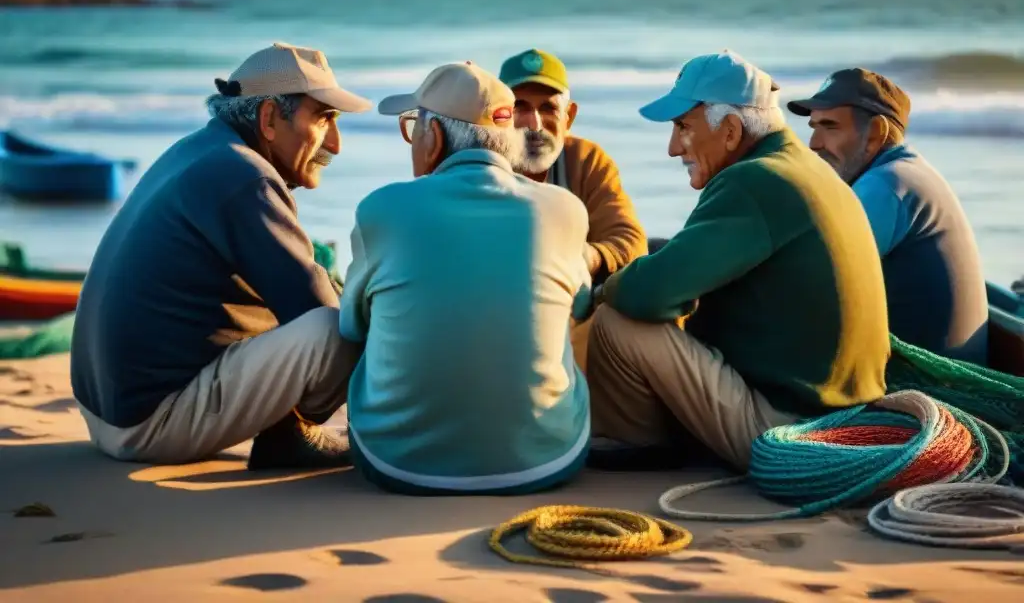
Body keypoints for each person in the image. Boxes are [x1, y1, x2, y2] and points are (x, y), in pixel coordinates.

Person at [580, 50, 891, 471]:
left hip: (790, 431)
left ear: (729, 130)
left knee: (618, 320)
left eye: (683, 127)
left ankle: (636, 444)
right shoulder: (803, 168)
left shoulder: (753, 180)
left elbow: (644, 295)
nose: (673, 148)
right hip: (842, 415)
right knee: (658, 255)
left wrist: (599, 290)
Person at [71, 42, 370, 469]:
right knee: (335, 329)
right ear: (269, 118)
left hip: (105, 410)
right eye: (323, 119)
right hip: (149, 424)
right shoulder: (245, 177)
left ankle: (290, 428)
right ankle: (292, 438)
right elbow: (322, 314)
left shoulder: (201, 151)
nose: (335, 144)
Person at [337, 61, 592, 495]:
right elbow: (582, 307)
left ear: (433, 137)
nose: (412, 138)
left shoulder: (382, 208)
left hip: (397, 465)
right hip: (544, 464)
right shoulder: (564, 208)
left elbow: (350, 326)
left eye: (413, 125)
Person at [787, 68, 988, 364]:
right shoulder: (905, 172)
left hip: (931, 384)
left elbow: (808, 286)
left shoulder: (886, 186)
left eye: (830, 127)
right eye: (813, 126)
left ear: (876, 134)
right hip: (938, 369)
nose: (814, 144)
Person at [499, 48, 647, 371]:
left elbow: (631, 242)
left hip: (572, 316)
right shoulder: (483, 165)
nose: (534, 123)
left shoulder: (585, 160)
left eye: (548, 108)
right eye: (519, 107)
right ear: (499, 115)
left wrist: (582, 257)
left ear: (570, 116)